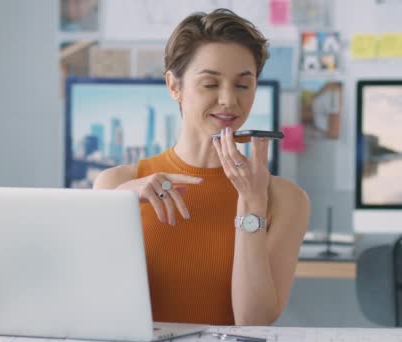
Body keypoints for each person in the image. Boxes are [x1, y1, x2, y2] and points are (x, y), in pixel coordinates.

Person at [93, 9, 310, 326]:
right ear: (174, 86)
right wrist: (114, 207)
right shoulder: (116, 184)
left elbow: (253, 322)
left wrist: (252, 203)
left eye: (242, 85)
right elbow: (97, 310)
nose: (228, 100)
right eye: (210, 83)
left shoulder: (286, 199)